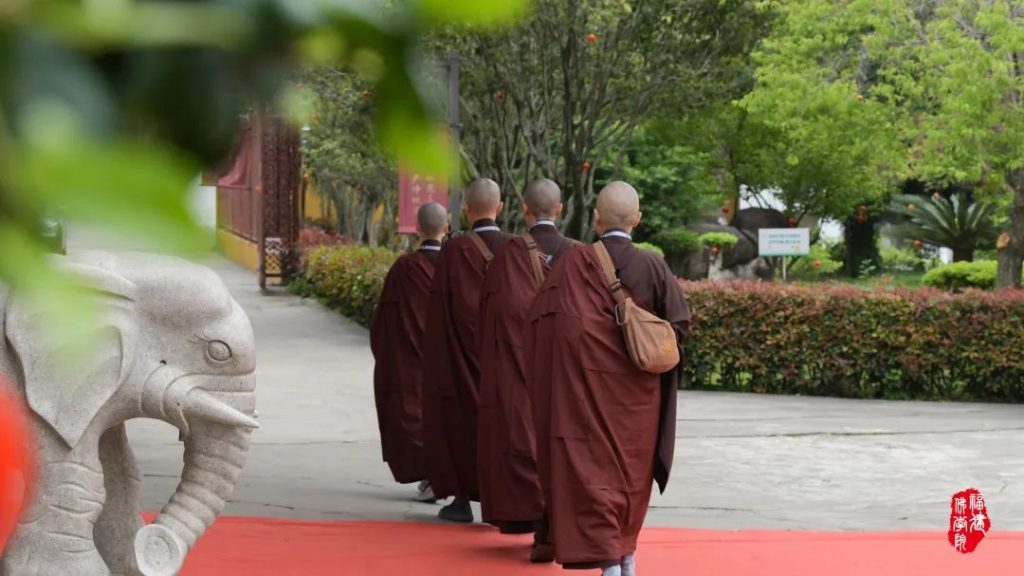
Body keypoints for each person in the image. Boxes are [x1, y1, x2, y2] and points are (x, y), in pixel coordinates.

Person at [528, 181, 691, 576]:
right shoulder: (653, 265)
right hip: (638, 404)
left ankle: (609, 560)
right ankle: (625, 555)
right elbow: (679, 327)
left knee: (590, 474)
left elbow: (541, 325)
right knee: (630, 479)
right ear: (637, 219)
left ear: (596, 218)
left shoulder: (571, 263)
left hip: (583, 397)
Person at [476, 179, 574, 555]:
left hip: (519, 369)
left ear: (522, 209)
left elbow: (489, 316)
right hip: (565, 373)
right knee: (564, 446)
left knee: (523, 440)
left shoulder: (507, 255)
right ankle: (556, 528)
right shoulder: (579, 254)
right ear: (560, 209)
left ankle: (534, 521)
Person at [422, 178, 513, 523]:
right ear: (500, 207)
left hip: (461, 358)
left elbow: (439, 311)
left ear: (466, 210)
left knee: (461, 425)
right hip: (502, 358)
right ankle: (503, 502)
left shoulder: (454, 251)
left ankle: (461, 500)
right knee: (505, 426)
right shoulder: (515, 248)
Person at [369, 202, 448, 502]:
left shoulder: (404, 269)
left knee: (414, 416)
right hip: (450, 360)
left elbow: (384, 322)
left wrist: (388, 357)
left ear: (417, 228)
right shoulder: (458, 265)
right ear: (446, 227)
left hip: (412, 362)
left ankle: (430, 476)